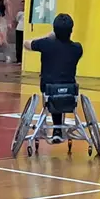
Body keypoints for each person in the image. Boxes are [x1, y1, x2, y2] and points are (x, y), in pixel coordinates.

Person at [24, 13, 83, 145]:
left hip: (49, 89)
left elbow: (26, 44)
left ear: (54, 30)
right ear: (71, 30)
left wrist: (48, 37)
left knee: (53, 89)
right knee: (61, 87)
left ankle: (54, 131)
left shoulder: (46, 44)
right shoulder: (78, 48)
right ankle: (58, 131)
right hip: (70, 91)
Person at [15, 0, 25, 65]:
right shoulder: (19, 13)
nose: (23, 6)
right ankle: (19, 59)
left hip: (26, 30)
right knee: (19, 45)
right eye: (22, 5)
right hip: (19, 29)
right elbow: (17, 19)